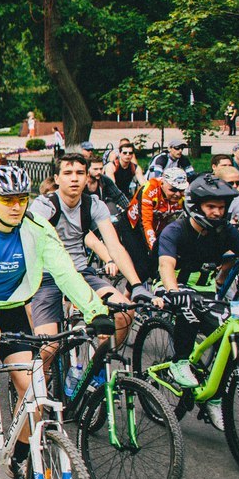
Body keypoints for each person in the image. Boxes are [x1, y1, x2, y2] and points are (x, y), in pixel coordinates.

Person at [0, 165, 113, 479]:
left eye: (21, 199)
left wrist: (95, 311)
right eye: (7, 200)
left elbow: (65, 272)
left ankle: (21, 457)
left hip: (12, 307)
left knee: (36, 394)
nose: (16, 207)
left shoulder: (37, 227)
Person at [156, 175, 239, 428]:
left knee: (233, 333)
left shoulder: (227, 231)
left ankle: (214, 398)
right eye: (211, 207)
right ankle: (179, 362)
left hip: (207, 292)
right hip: (173, 288)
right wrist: (173, 290)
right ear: (196, 206)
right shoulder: (176, 230)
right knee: (188, 306)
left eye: (221, 208)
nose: (217, 212)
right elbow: (165, 265)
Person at [28, 154, 144, 381]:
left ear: (87, 177)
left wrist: (137, 284)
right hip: (47, 277)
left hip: (82, 273)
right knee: (48, 349)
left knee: (125, 311)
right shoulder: (44, 206)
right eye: (67, 173)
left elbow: (115, 246)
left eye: (80, 173)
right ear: (57, 178)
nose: (74, 179)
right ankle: (39, 389)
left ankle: (94, 370)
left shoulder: (93, 205)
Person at [123, 166, 189, 278]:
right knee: (142, 269)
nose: (177, 194)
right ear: (162, 183)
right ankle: (128, 294)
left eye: (181, 190)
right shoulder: (150, 190)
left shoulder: (183, 195)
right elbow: (146, 224)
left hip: (158, 225)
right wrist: (154, 249)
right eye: (173, 189)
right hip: (134, 226)